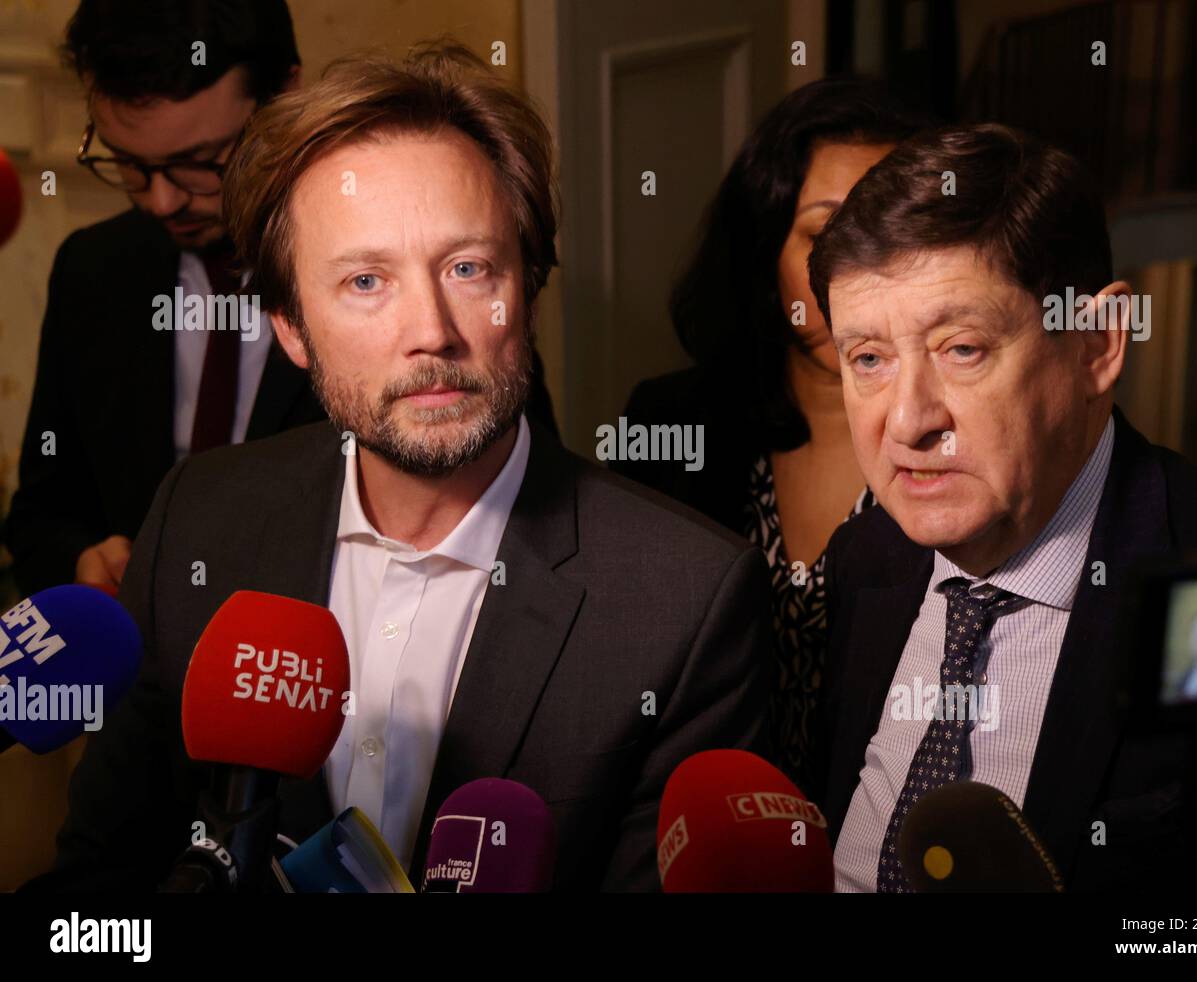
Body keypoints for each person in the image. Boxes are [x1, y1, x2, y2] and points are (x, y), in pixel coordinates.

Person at [45, 42, 770, 892]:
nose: (431, 329)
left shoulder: (686, 600)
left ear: (527, 289)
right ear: (289, 327)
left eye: (468, 268)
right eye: (364, 281)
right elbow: (94, 889)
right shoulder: (198, 520)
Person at [808, 124, 1197, 892]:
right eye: (869, 359)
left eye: (962, 348)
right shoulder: (865, 553)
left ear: (1097, 344)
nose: (908, 422)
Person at [612, 78, 926, 794]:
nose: (861, 274)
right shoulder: (668, 421)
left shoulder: (954, 441)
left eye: (897, 235)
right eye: (825, 234)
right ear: (763, 249)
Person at [5, 0, 324, 597]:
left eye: (199, 164)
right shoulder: (93, 268)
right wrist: (82, 563)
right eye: (128, 164)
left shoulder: (385, 268)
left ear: (285, 95)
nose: (159, 203)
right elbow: (41, 516)